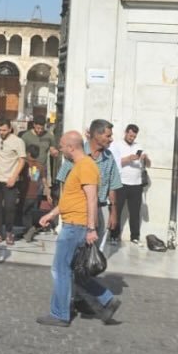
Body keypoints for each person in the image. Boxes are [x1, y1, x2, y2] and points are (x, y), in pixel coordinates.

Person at [36, 131, 120, 327]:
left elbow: (92, 198)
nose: (61, 149)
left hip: (76, 226)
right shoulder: (78, 166)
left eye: (62, 146)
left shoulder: (86, 166)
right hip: (74, 224)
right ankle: (107, 300)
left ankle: (60, 314)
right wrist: (51, 214)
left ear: (71, 147)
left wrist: (91, 229)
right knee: (77, 271)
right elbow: (71, 199)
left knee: (60, 269)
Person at [55, 119, 122, 239]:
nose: (111, 139)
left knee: (97, 248)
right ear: (96, 135)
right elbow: (64, 184)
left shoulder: (109, 157)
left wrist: (113, 212)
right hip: (79, 212)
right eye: (108, 136)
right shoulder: (76, 154)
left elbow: (113, 186)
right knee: (77, 246)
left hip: (102, 209)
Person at [0, 119, 26, 246]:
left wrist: (14, 177)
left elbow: (22, 160)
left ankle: (9, 232)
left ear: (10, 129)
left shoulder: (18, 141)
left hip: (10, 180)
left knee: (9, 208)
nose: (1, 132)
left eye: (4, 130)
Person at [109, 123, 150, 244]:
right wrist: (129, 158)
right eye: (130, 135)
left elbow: (149, 165)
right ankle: (114, 236)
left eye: (134, 136)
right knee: (116, 210)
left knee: (135, 212)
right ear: (126, 132)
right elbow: (113, 162)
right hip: (121, 183)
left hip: (136, 184)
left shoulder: (139, 146)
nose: (132, 138)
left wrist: (145, 159)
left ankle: (135, 236)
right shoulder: (117, 145)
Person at [19, 142, 48, 241]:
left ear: (28, 153)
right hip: (35, 194)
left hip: (25, 193)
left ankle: (30, 228)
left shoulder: (24, 164)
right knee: (29, 212)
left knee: (24, 213)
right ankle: (27, 231)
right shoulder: (40, 166)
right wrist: (47, 192)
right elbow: (44, 179)